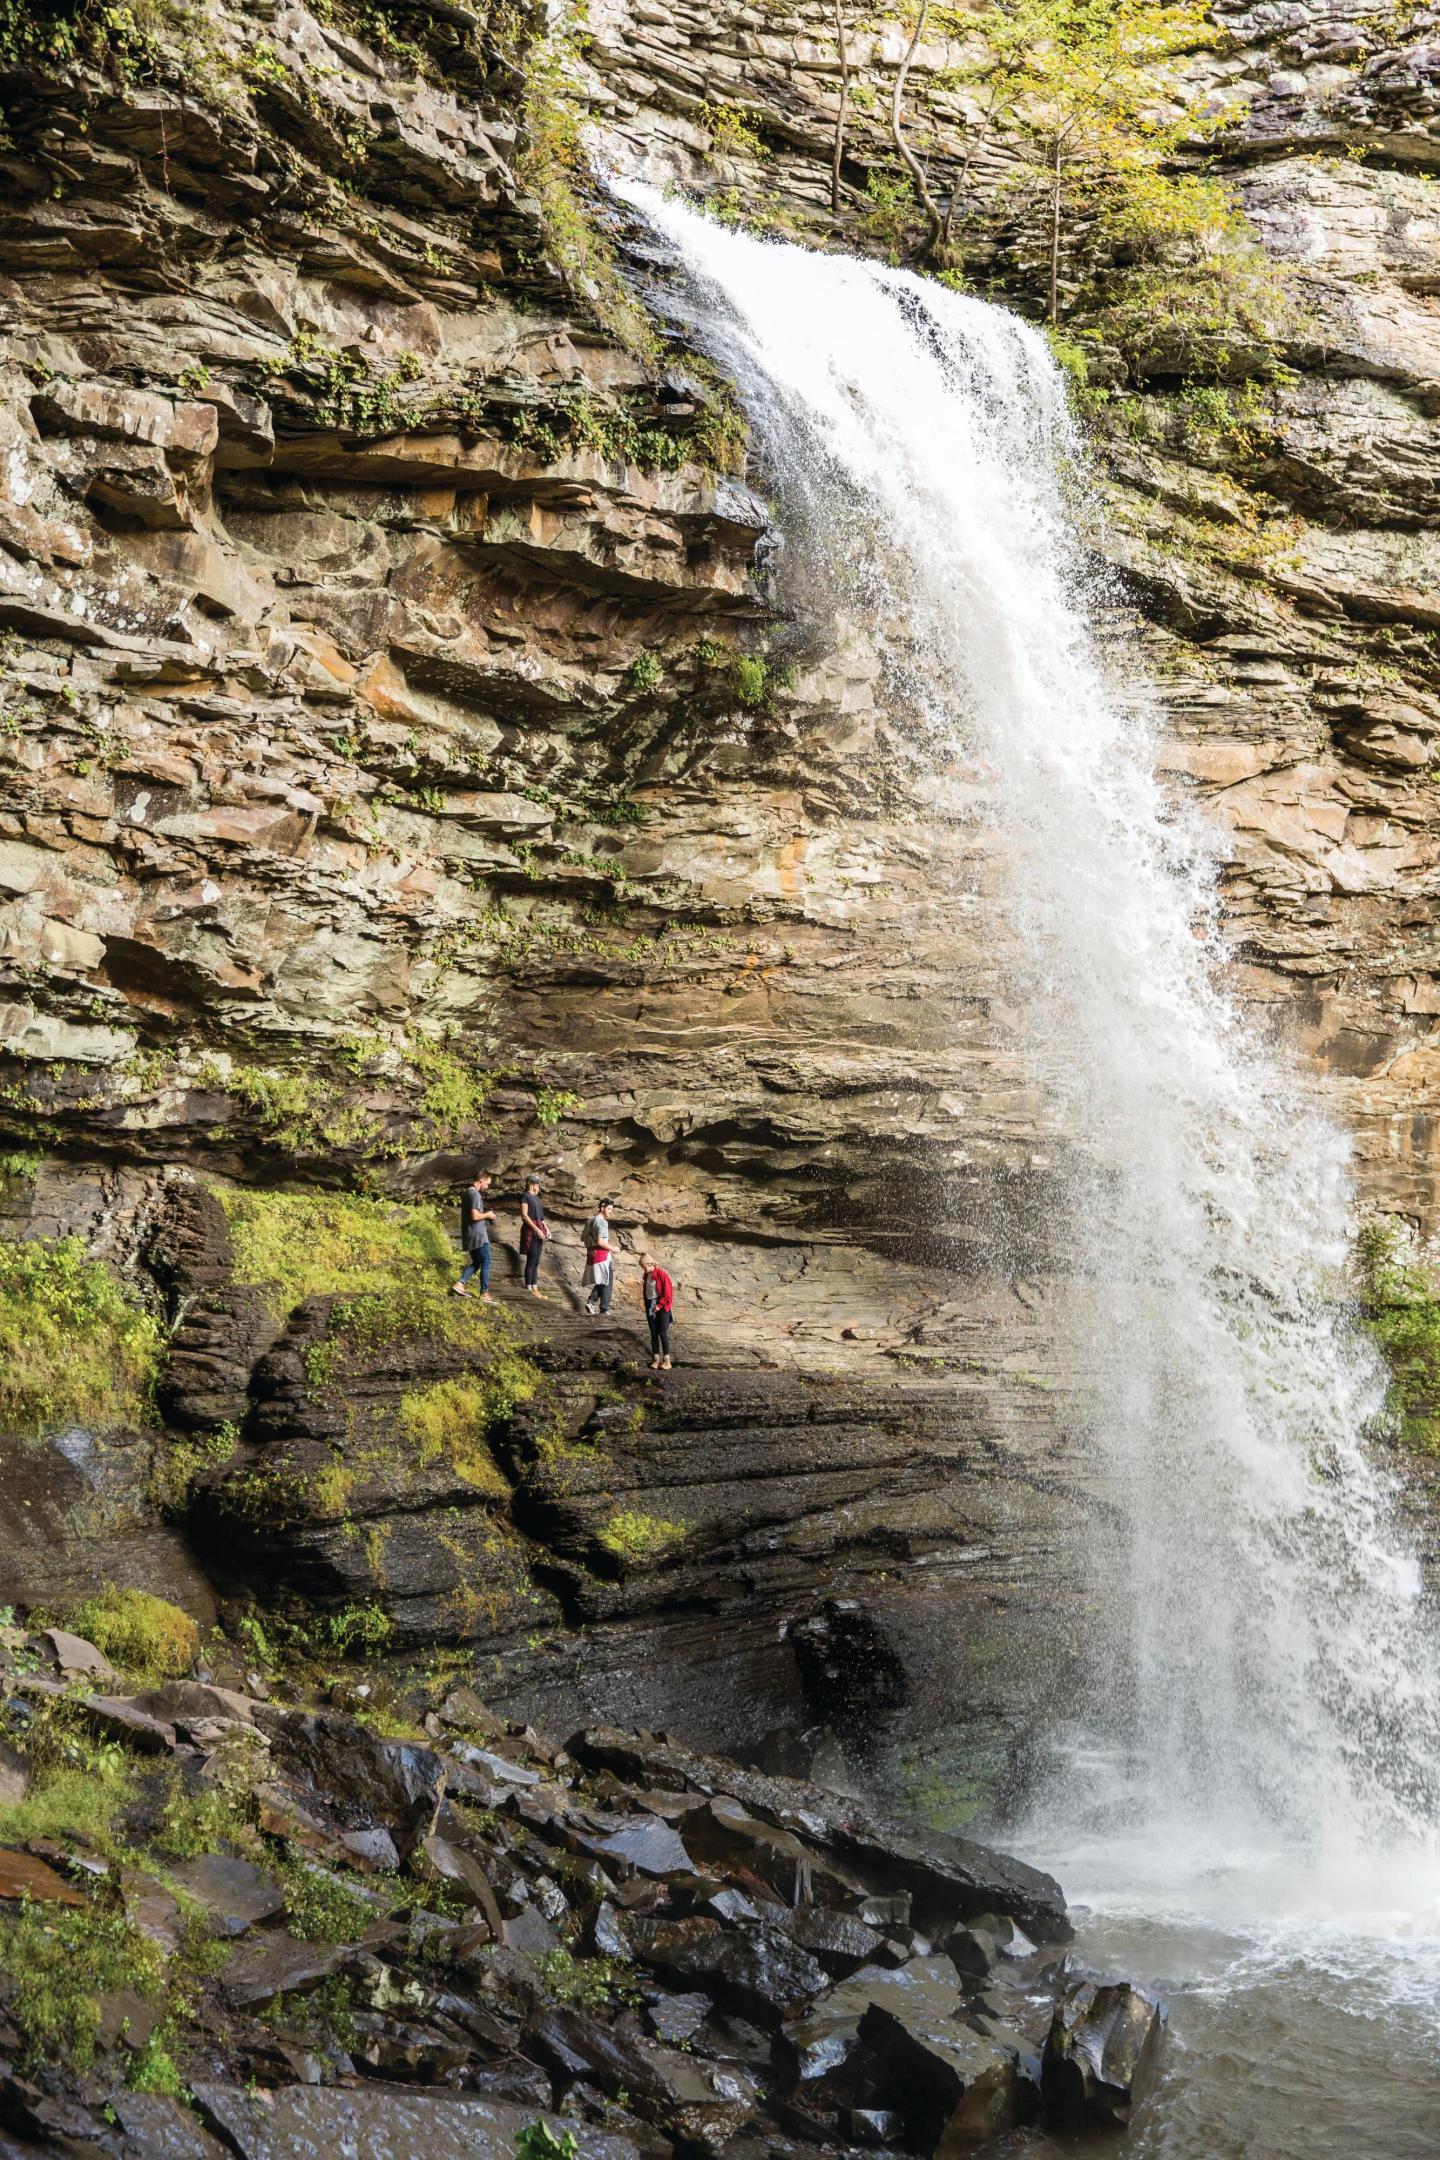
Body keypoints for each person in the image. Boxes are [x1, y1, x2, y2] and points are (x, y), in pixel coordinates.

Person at [453, 1170, 495, 1300]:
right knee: (486, 1262)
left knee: (477, 1262)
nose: (487, 1187)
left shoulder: (466, 1193)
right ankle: (484, 1293)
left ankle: (460, 1284)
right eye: (487, 1183)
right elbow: (475, 1216)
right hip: (478, 1235)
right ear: (481, 1180)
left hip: (469, 1234)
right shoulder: (475, 1194)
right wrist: (488, 1215)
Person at [641, 1251, 674, 1370]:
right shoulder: (646, 1276)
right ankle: (655, 1360)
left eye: (643, 1265)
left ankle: (667, 1361)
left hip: (662, 1306)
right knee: (653, 1333)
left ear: (649, 1264)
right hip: (651, 1306)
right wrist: (647, 1305)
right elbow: (647, 1292)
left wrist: (659, 1306)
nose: (642, 1268)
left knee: (662, 1332)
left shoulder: (661, 1274)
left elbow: (668, 1294)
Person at [582, 1198, 614, 1317]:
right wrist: (613, 1248)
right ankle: (604, 1309)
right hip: (602, 1254)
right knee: (607, 1281)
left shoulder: (590, 1220)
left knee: (602, 1279)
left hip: (591, 1253)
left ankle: (591, 1302)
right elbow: (601, 1242)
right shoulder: (602, 1222)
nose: (611, 1211)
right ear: (602, 1208)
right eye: (609, 1209)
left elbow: (582, 1238)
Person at [519, 1174, 549, 1296]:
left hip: (539, 1228)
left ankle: (535, 1288)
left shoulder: (537, 1198)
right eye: (537, 1183)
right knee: (531, 1259)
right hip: (530, 1230)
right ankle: (529, 1288)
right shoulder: (525, 1196)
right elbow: (525, 1215)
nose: (539, 1186)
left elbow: (541, 1218)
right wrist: (536, 1230)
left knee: (536, 1260)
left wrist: (547, 1229)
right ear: (532, 1184)